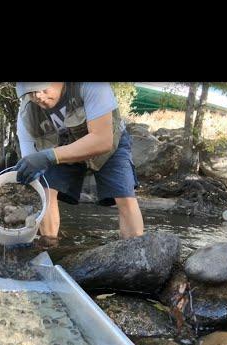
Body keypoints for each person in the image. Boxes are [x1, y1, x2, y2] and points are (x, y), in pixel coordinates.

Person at [14, 82, 144, 243]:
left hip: (109, 142)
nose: (38, 96)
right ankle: (49, 248)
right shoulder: (26, 114)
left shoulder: (92, 86)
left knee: (124, 196)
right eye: (31, 93)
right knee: (45, 190)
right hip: (61, 147)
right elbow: (31, 160)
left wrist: (49, 157)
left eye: (42, 89)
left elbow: (102, 140)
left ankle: (137, 249)